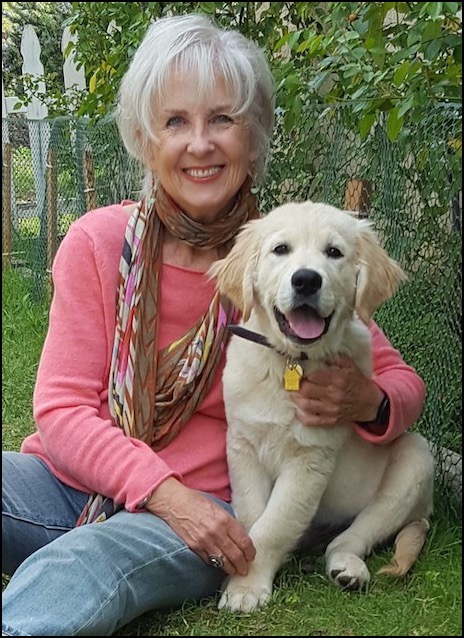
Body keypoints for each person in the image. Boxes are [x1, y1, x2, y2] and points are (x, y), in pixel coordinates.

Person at [2, 12, 426, 637]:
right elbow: (62, 410)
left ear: (252, 139)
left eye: (222, 119)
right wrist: (155, 487)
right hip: (74, 484)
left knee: (84, 564)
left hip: (208, 509)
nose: (199, 143)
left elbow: (395, 379)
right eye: (175, 121)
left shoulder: (280, 256)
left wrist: (367, 400)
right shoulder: (98, 242)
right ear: (145, 139)